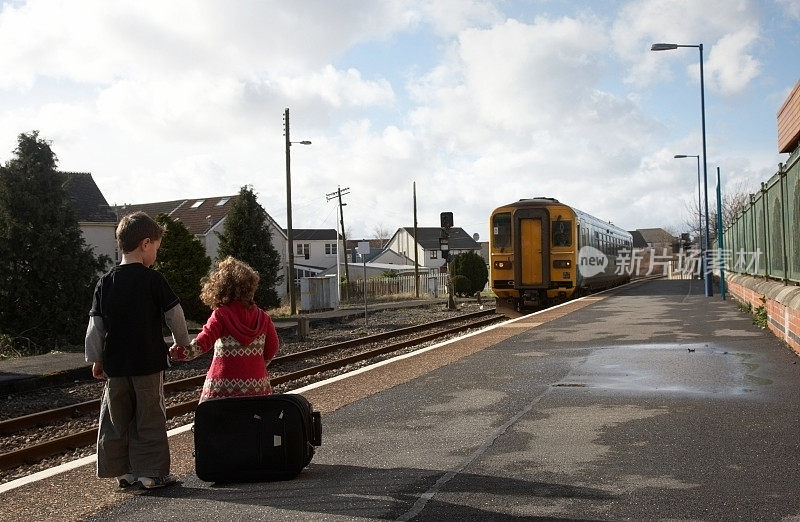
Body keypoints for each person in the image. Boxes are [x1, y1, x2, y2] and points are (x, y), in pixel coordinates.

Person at [84, 211, 191, 489]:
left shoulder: (105, 282)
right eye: (155, 247)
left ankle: (122, 471)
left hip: (116, 367)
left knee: (116, 417)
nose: (155, 253)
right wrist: (182, 342)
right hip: (148, 362)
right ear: (145, 244)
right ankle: (152, 473)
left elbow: (95, 327)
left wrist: (96, 359)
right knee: (150, 417)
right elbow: (175, 315)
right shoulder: (153, 280)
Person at [169, 256, 280, 402]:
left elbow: (202, 344)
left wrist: (179, 352)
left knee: (213, 422)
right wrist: (256, 364)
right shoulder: (263, 317)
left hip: (221, 390)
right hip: (258, 388)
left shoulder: (221, 315)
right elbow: (273, 347)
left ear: (220, 287)